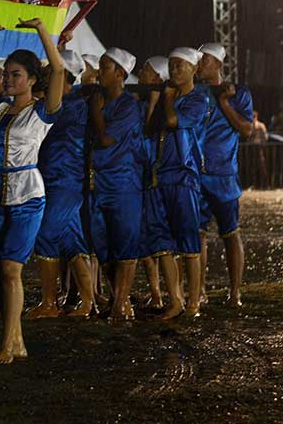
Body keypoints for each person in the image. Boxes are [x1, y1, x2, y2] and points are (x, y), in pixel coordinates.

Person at [0, 17, 64, 363]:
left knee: (11, 269)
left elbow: (59, 70)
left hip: (26, 197)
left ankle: (8, 344)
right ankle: (16, 339)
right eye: (6, 74)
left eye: (15, 74)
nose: (7, 79)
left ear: (32, 80)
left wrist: (41, 31)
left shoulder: (42, 112)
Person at [27, 50, 95, 319]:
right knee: (72, 242)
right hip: (56, 180)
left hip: (64, 181)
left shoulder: (73, 105)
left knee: (44, 235)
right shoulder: (71, 102)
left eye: (50, 73)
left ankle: (49, 302)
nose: (45, 78)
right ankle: (88, 303)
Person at [144, 47, 209, 320]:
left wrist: (167, 97)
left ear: (195, 69)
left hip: (183, 177)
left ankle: (193, 301)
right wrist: (156, 100)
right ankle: (175, 300)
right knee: (162, 241)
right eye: (171, 66)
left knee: (188, 239)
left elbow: (172, 121)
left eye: (180, 65)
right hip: (159, 177)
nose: (174, 70)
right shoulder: (165, 99)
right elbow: (148, 130)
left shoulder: (198, 100)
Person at [88, 47, 145, 322]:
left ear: (121, 73)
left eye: (105, 67)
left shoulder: (128, 106)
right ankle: (118, 299)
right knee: (104, 246)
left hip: (123, 183)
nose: (99, 72)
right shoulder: (98, 99)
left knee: (124, 244)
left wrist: (96, 113)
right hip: (100, 182)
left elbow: (106, 140)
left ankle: (121, 303)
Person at [196, 43, 253, 308]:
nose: (199, 64)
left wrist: (224, 103)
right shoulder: (194, 92)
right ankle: (200, 290)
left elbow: (246, 129)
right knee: (198, 235)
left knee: (230, 233)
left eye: (204, 60)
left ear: (218, 64)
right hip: (196, 172)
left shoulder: (238, 93)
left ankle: (235, 292)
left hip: (223, 174)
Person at [136, 56, 169, 310]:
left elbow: (149, 134)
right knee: (145, 240)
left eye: (146, 70)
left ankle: (175, 295)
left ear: (158, 77)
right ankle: (156, 294)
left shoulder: (167, 106)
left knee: (161, 239)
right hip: (140, 178)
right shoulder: (140, 102)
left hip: (158, 181)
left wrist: (156, 102)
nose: (140, 73)